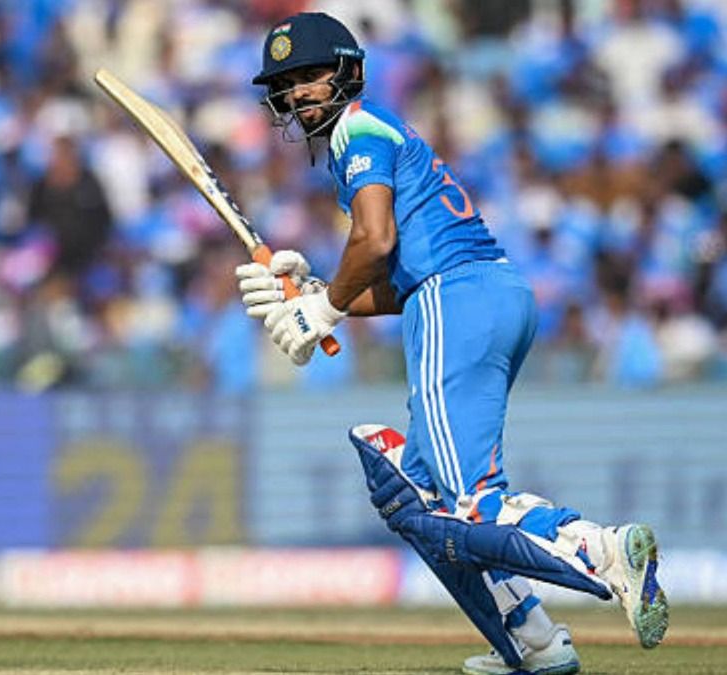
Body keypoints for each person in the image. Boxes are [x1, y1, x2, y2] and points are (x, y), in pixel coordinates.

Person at [235, 13, 668, 675]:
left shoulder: (358, 127)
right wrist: (324, 295)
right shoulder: (375, 133)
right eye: (286, 84)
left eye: (309, 76)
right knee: (422, 495)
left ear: (347, 71)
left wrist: (321, 308)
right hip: (484, 293)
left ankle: (602, 550)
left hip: (456, 297)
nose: (297, 94)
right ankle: (534, 642)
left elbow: (375, 242)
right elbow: (394, 273)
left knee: (465, 500)